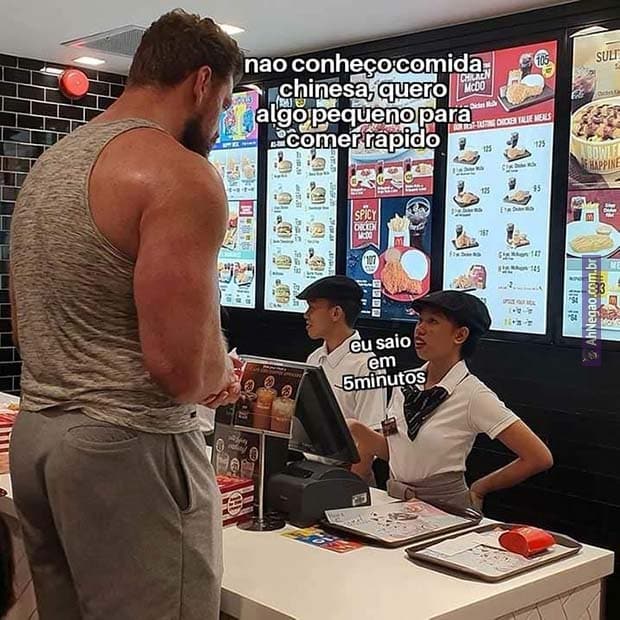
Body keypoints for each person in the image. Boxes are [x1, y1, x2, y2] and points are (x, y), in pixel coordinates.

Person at [8, 10, 244, 620]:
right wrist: (219, 373)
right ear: (201, 82)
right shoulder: (180, 174)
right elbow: (179, 372)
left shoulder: (50, 165)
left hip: (39, 439)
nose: (220, 123)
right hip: (127, 445)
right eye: (225, 103)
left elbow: (25, 325)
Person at [347, 291, 553, 511]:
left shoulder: (473, 394)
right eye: (420, 320)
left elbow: (538, 457)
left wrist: (480, 488)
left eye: (432, 321)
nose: (420, 329)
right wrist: (356, 429)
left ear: (460, 335)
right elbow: (397, 452)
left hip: (446, 510)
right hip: (398, 505)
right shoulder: (405, 384)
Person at [297, 276, 385, 430]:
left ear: (336, 313)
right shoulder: (314, 358)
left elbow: (372, 431)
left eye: (312, 308)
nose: (306, 314)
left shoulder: (367, 367)